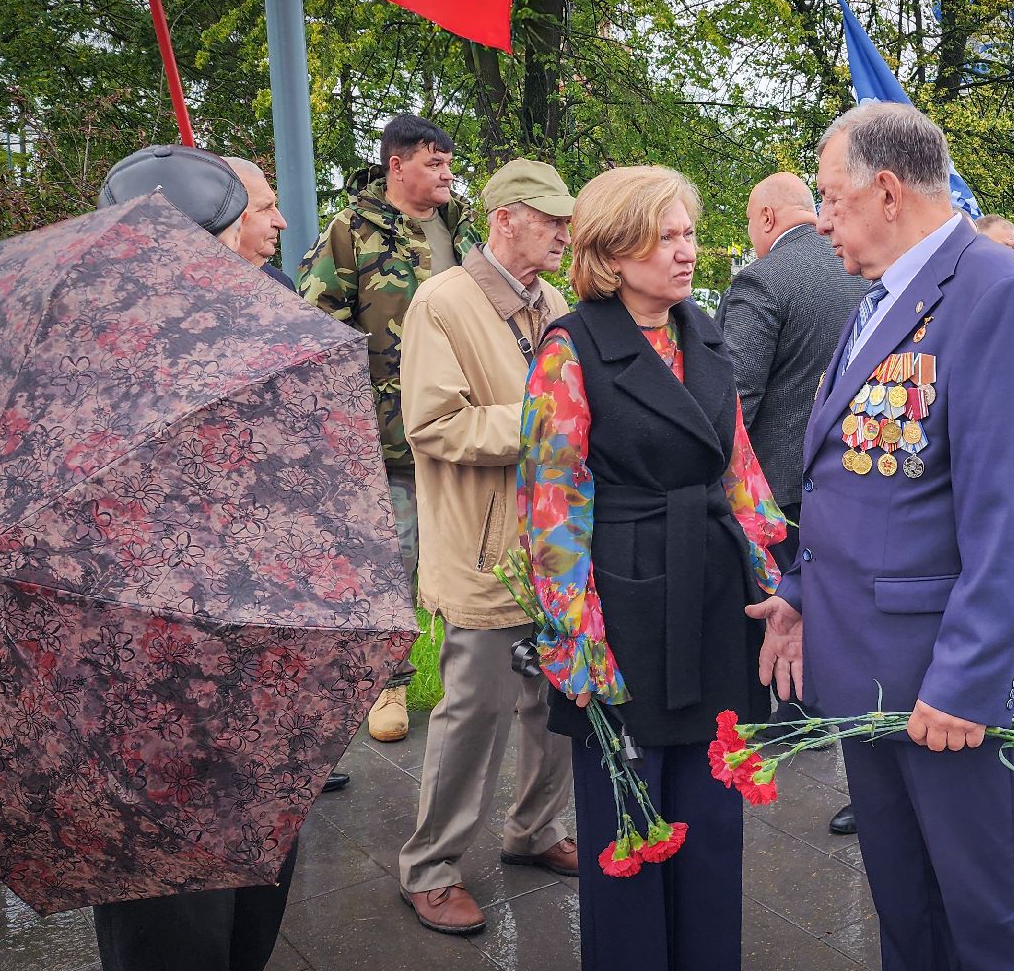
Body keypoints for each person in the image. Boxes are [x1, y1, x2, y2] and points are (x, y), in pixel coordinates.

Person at [746, 102, 1014, 971]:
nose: (819, 220)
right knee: (907, 901)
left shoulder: (998, 292)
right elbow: (854, 482)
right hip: (872, 665)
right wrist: (796, 593)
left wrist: (968, 683)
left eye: (830, 198)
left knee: (985, 909)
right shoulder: (879, 296)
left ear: (886, 190)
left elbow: (1013, 517)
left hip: (946, 680)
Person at [519, 165, 787, 971]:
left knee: (711, 814)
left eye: (690, 234)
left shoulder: (702, 328)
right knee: (627, 819)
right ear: (613, 247)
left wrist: (777, 585)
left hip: (710, 599)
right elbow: (552, 500)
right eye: (665, 237)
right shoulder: (572, 346)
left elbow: (738, 465)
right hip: (622, 603)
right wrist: (573, 636)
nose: (686, 252)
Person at [91, 144, 306, 971]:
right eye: (242, 219)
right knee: (172, 920)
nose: (272, 229)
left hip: (264, 668)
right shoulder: (104, 354)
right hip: (155, 688)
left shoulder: (261, 313)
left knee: (255, 902)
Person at [395, 159, 580, 935]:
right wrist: (546, 426)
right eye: (551, 221)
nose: (566, 235)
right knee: (474, 714)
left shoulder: (556, 300)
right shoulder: (442, 303)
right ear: (504, 217)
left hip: (555, 547)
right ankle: (430, 868)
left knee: (557, 703)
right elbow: (432, 424)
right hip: (483, 554)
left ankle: (535, 831)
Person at [299, 114, 483, 743]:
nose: (447, 174)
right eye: (435, 163)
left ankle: (477, 684)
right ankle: (389, 687)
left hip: (462, 428)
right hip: (390, 434)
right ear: (396, 165)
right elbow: (316, 327)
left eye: (448, 163)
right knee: (393, 563)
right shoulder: (352, 232)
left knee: (472, 555)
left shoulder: (459, 232)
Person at [718, 171, 870, 837]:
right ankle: (826, 710)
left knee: (782, 597)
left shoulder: (762, 281)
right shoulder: (860, 270)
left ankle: (796, 708)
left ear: (768, 217)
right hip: (855, 479)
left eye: (752, 226)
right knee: (837, 601)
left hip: (776, 486)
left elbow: (735, 397)